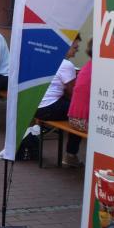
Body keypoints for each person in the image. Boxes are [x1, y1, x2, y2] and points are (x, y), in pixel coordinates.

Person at [34, 35, 81, 167]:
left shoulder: (46, 57)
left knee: (74, 109)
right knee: (80, 113)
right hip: (49, 108)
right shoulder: (67, 65)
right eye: (75, 47)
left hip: (37, 107)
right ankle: (71, 155)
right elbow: (73, 94)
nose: (77, 50)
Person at [67, 39, 93, 133]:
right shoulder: (98, 70)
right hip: (84, 122)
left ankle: (71, 148)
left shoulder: (87, 66)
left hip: (73, 118)